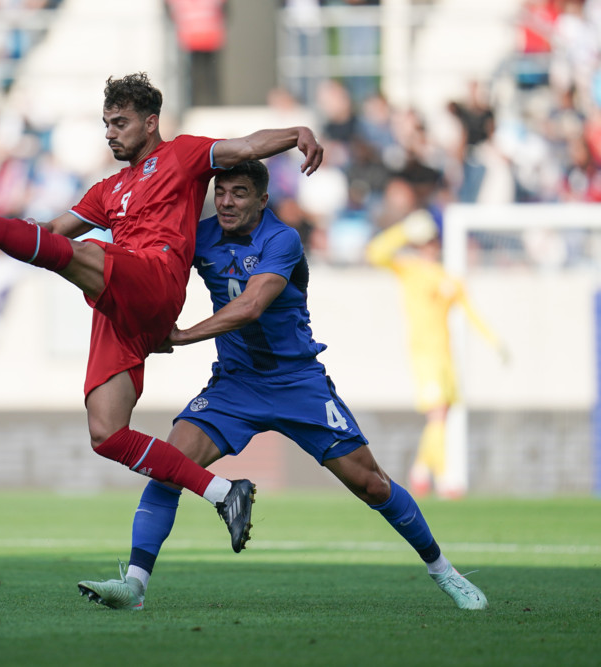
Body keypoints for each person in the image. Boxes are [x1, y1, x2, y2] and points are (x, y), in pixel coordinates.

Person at [0, 72, 324, 552]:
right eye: (107, 123)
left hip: (154, 279)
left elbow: (246, 146)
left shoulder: (184, 154)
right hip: (119, 300)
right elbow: (49, 230)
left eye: (120, 122)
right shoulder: (107, 190)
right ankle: (223, 492)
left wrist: (297, 134)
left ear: (150, 124)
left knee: (80, 253)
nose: (110, 132)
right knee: (106, 433)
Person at [75, 160, 488, 612]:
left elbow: (252, 305)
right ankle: (133, 586)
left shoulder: (282, 239)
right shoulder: (202, 236)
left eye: (240, 193)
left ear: (262, 199)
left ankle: (443, 570)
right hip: (235, 384)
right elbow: (153, 267)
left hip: (297, 383)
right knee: (170, 464)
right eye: (222, 192)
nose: (227, 202)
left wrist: (180, 335)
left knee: (370, 483)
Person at [365, 209, 507, 498]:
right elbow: (375, 252)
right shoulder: (410, 269)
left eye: (433, 242)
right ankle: (444, 478)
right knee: (438, 414)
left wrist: (494, 342)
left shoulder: (449, 278)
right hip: (423, 354)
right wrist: (404, 229)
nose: (429, 247)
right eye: (425, 242)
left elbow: (471, 312)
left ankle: (420, 471)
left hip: (445, 356)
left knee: (444, 414)